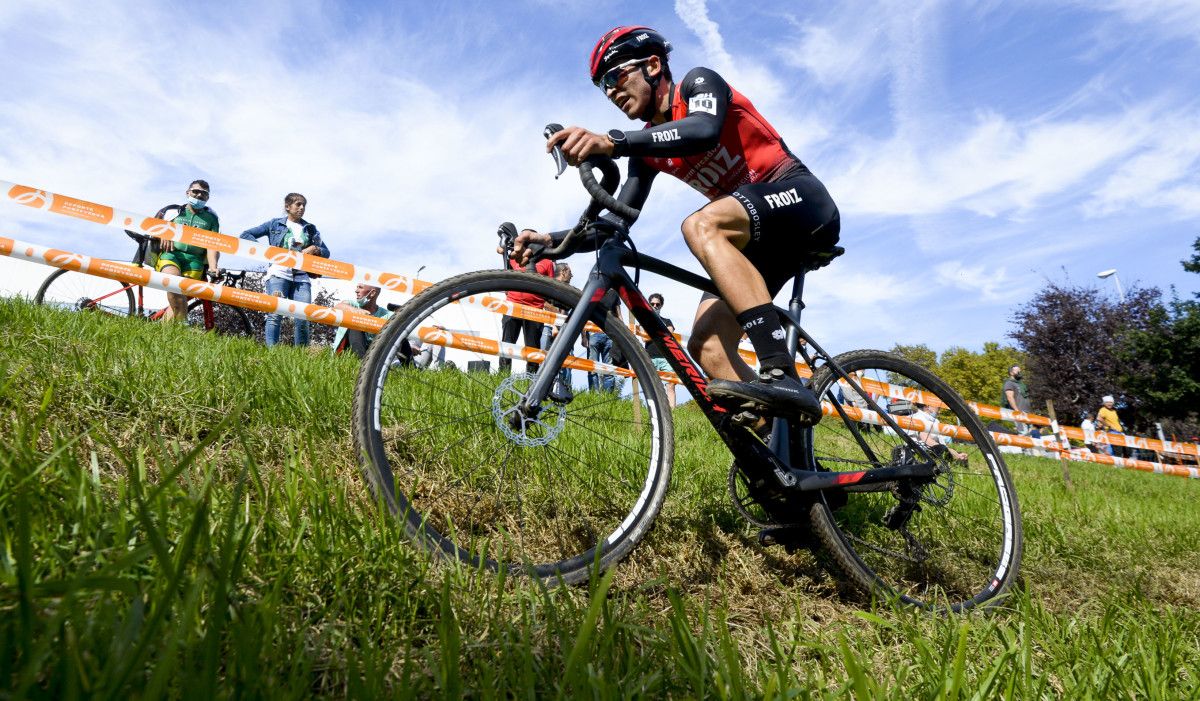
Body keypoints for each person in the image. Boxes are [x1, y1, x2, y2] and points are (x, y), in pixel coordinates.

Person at [514, 26, 839, 423]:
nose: (612, 92)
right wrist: (548, 240)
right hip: (756, 237)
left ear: (652, 65)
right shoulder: (647, 152)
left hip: (800, 198)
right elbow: (617, 223)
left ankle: (781, 374)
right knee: (708, 347)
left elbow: (702, 130)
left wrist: (614, 142)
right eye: (603, 87)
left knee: (701, 226)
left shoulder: (698, 83)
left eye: (616, 77)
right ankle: (787, 463)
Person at [240, 193, 330, 347]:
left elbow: (326, 252)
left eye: (304, 205)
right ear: (287, 207)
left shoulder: (310, 229)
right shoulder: (274, 224)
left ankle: (300, 355)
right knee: (275, 313)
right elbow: (246, 235)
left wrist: (315, 248)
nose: (301, 208)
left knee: (303, 316)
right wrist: (267, 252)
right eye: (298, 204)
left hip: (301, 276)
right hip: (278, 273)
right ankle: (272, 352)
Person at [154, 179, 220, 321]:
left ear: (207, 197)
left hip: (195, 262)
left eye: (204, 193)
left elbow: (212, 245)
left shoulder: (212, 219)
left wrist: (213, 267)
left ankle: (164, 333)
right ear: (188, 193)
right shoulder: (174, 211)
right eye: (195, 191)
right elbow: (154, 228)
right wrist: (163, 234)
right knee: (174, 284)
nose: (199, 195)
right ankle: (183, 328)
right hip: (171, 255)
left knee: (179, 297)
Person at [497, 231, 556, 373]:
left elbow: (551, 287)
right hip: (512, 306)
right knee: (507, 344)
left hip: (534, 310)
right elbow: (500, 250)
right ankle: (502, 375)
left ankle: (532, 379)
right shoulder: (514, 257)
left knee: (533, 348)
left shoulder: (547, 262)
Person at [332, 283, 392, 358]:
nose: (356, 291)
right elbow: (337, 307)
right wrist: (356, 311)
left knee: (398, 332)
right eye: (357, 287)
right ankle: (360, 362)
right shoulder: (352, 305)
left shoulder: (386, 314)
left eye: (360, 287)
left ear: (372, 293)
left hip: (372, 353)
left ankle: (408, 365)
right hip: (345, 352)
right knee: (356, 323)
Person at [644, 293, 676, 408]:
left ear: (661, 305)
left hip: (666, 357)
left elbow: (669, 335)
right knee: (652, 385)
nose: (655, 306)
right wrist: (661, 333)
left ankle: (673, 410)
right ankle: (655, 409)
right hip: (650, 356)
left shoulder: (667, 321)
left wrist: (652, 333)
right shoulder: (645, 320)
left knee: (671, 384)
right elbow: (644, 337)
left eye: (658, 304)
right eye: (652, 304)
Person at [1001, 365, 1032, 435]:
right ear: (1011, 373)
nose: (1019, 372)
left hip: (1027, 413)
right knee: (1023, 433)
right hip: (1019, 413)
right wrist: (1016, 411)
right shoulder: (1009, 383)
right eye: (1017, 370)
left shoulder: (1021, 384)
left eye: (1020, 370)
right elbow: (1010, 397)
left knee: (1029, 435)